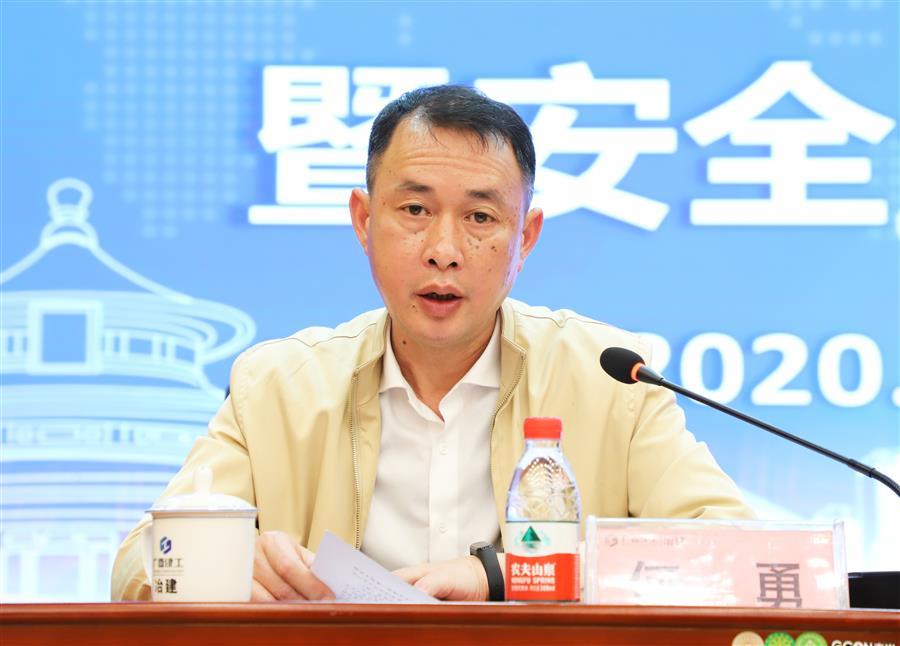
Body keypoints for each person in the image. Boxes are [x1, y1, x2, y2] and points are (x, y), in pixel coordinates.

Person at [111, 85, 753, 602]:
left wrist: (507, 575)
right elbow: (136, 565)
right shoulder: (276, 386)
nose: (444, 251)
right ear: (364, 221)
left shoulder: (611, 381)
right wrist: (221, 561)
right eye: (415, 210)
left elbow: (736, 554)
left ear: (525, 239)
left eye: (480, 218)